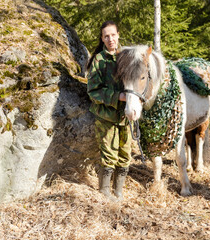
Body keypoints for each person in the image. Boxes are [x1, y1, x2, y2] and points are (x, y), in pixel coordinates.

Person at [87, 21, 132, 201]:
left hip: (125, 116)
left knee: (125, 154)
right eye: (106, 36)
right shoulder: (99, 61)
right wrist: (117, 97)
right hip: (105, 116)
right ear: (102, 39)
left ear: (118, 35)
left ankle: (118, 191)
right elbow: (93, 91)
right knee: (109, 154)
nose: (110, 39)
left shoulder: (126, 58)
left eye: (113, 35)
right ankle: (104, 191)